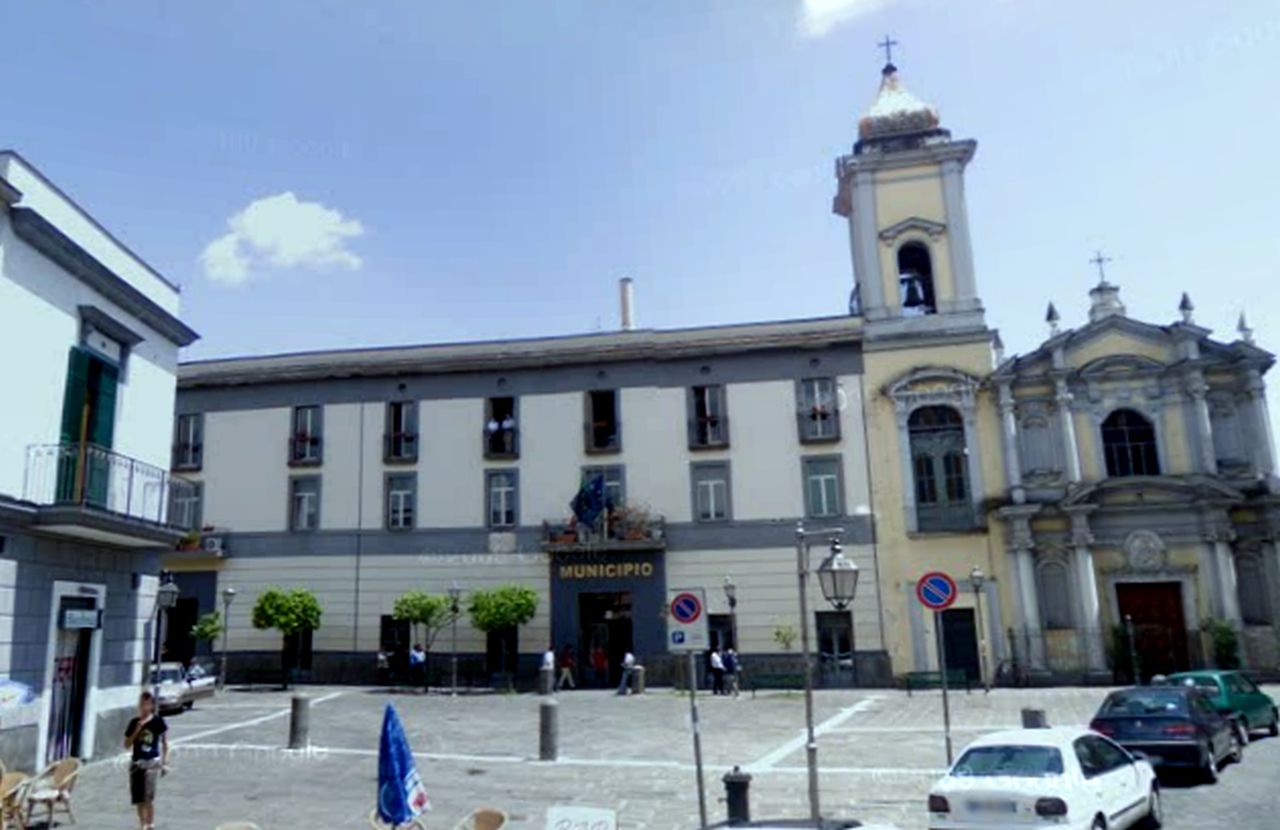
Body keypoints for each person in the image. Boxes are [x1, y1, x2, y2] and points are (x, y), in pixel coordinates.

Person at [124, 690, 168, 830]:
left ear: (152, 706)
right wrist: (137, 731)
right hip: (137, 762)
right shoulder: (134, 722)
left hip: (151, 763)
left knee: (148, 796)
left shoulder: (158, 722)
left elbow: (165, 744)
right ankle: (142, 824)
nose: (143, 706)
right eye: (141, 703)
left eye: (146, 704)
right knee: (138, 798)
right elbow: (126, 745)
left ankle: (150, 824)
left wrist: (165, 763)